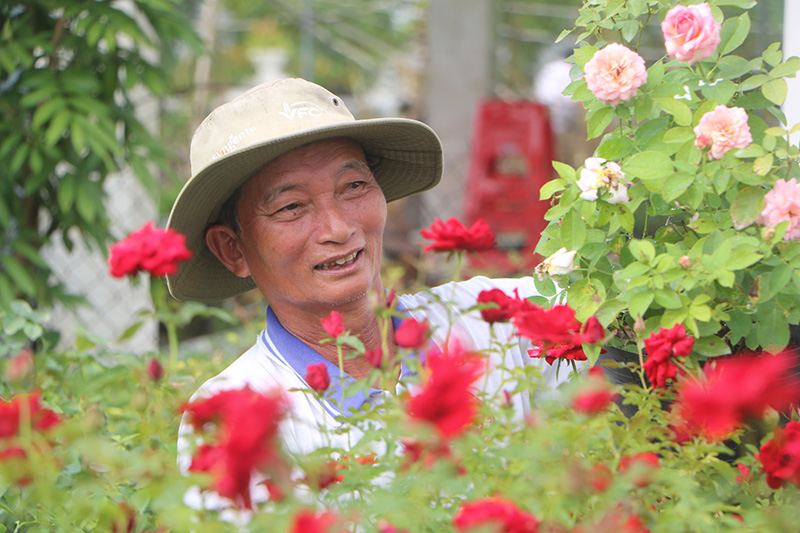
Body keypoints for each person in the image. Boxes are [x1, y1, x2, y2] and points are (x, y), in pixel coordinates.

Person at [168, 78, 582, 503]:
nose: (339, 227)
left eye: (353, 186)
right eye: (291, 206)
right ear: (232, 247)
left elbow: (613, 304)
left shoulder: (488, 318)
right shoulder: (233, 415)